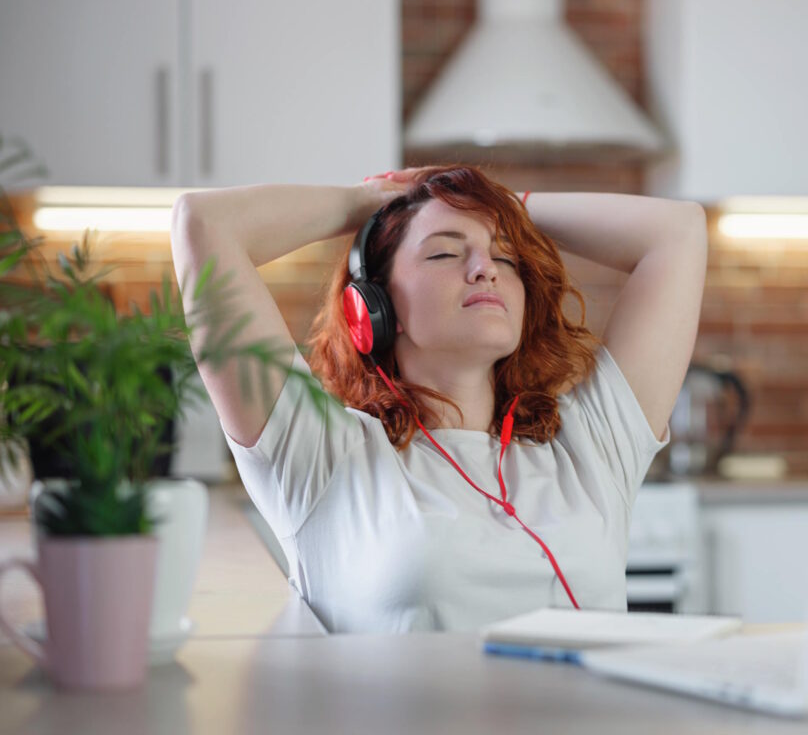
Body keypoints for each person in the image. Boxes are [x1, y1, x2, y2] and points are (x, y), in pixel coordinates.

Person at [170, 165, 707, 633]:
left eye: (505, 257)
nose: (485, 268)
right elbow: (203, 223)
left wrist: (501, 204)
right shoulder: (319, 453)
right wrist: (371, 199)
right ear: (374, 308)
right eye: (446, 252)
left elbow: (679, 232)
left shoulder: (590, 443)